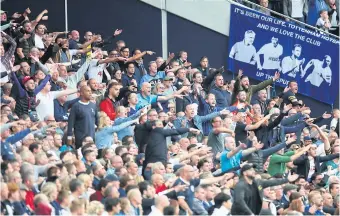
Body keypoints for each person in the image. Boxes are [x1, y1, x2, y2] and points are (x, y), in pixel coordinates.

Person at [231, 164, 299, 215]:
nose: (253, 171)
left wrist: (287, 179)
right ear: (244, 173)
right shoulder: (240, 185)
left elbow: (273, 182)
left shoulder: (258, 182)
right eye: (250, 170)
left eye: (253, 170)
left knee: (267, 213)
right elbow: (240, 201)